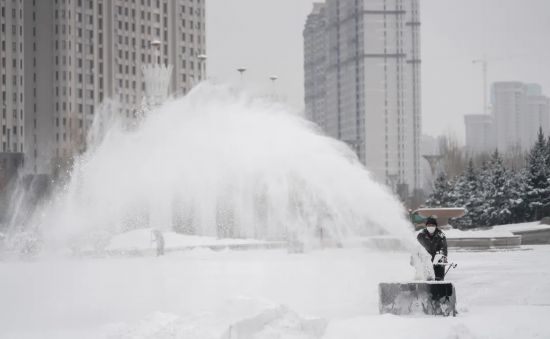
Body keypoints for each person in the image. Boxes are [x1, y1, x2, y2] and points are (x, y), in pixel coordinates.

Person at [417, 216, 448, 280]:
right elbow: (416, 247)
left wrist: (441, 256)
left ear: (436, 226)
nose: (430, 227)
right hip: (424, 260)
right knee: (425, 278)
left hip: (437, 260)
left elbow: (443, 248)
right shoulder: (421, 235)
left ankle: (439, 281)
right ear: (426, 226)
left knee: (438, 278)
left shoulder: (440, 235)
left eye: (432, 225)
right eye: (429, 225)